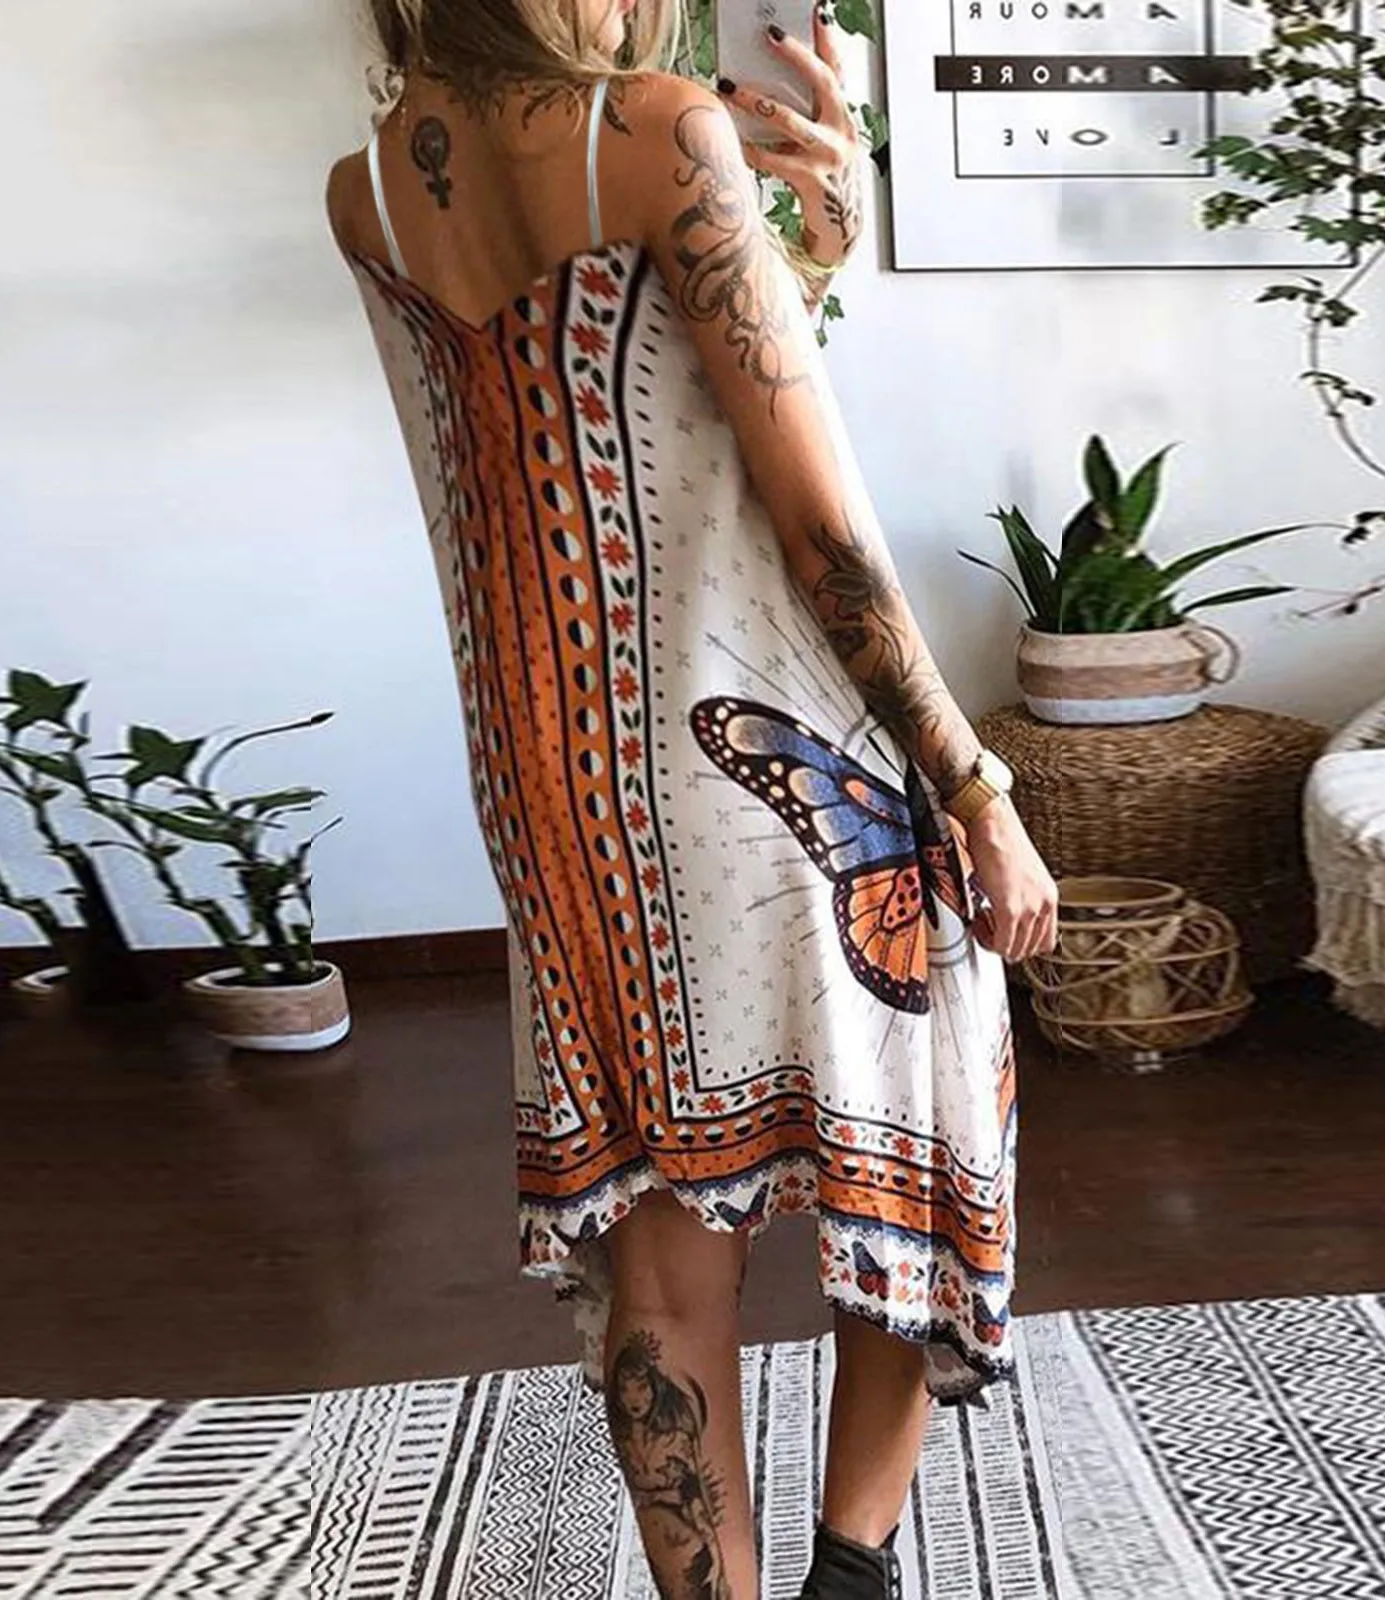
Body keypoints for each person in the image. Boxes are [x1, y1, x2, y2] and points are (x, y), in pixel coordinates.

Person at [327, 3, 1059, 1595]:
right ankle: (851, 1573)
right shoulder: (658, 127)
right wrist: (977, 786)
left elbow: (642, 421)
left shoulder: (368, 187)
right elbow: (819, 532)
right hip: (772, 756)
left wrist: (817, 246)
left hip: (555, 776)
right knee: (919, 1142)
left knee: (663, 1258)